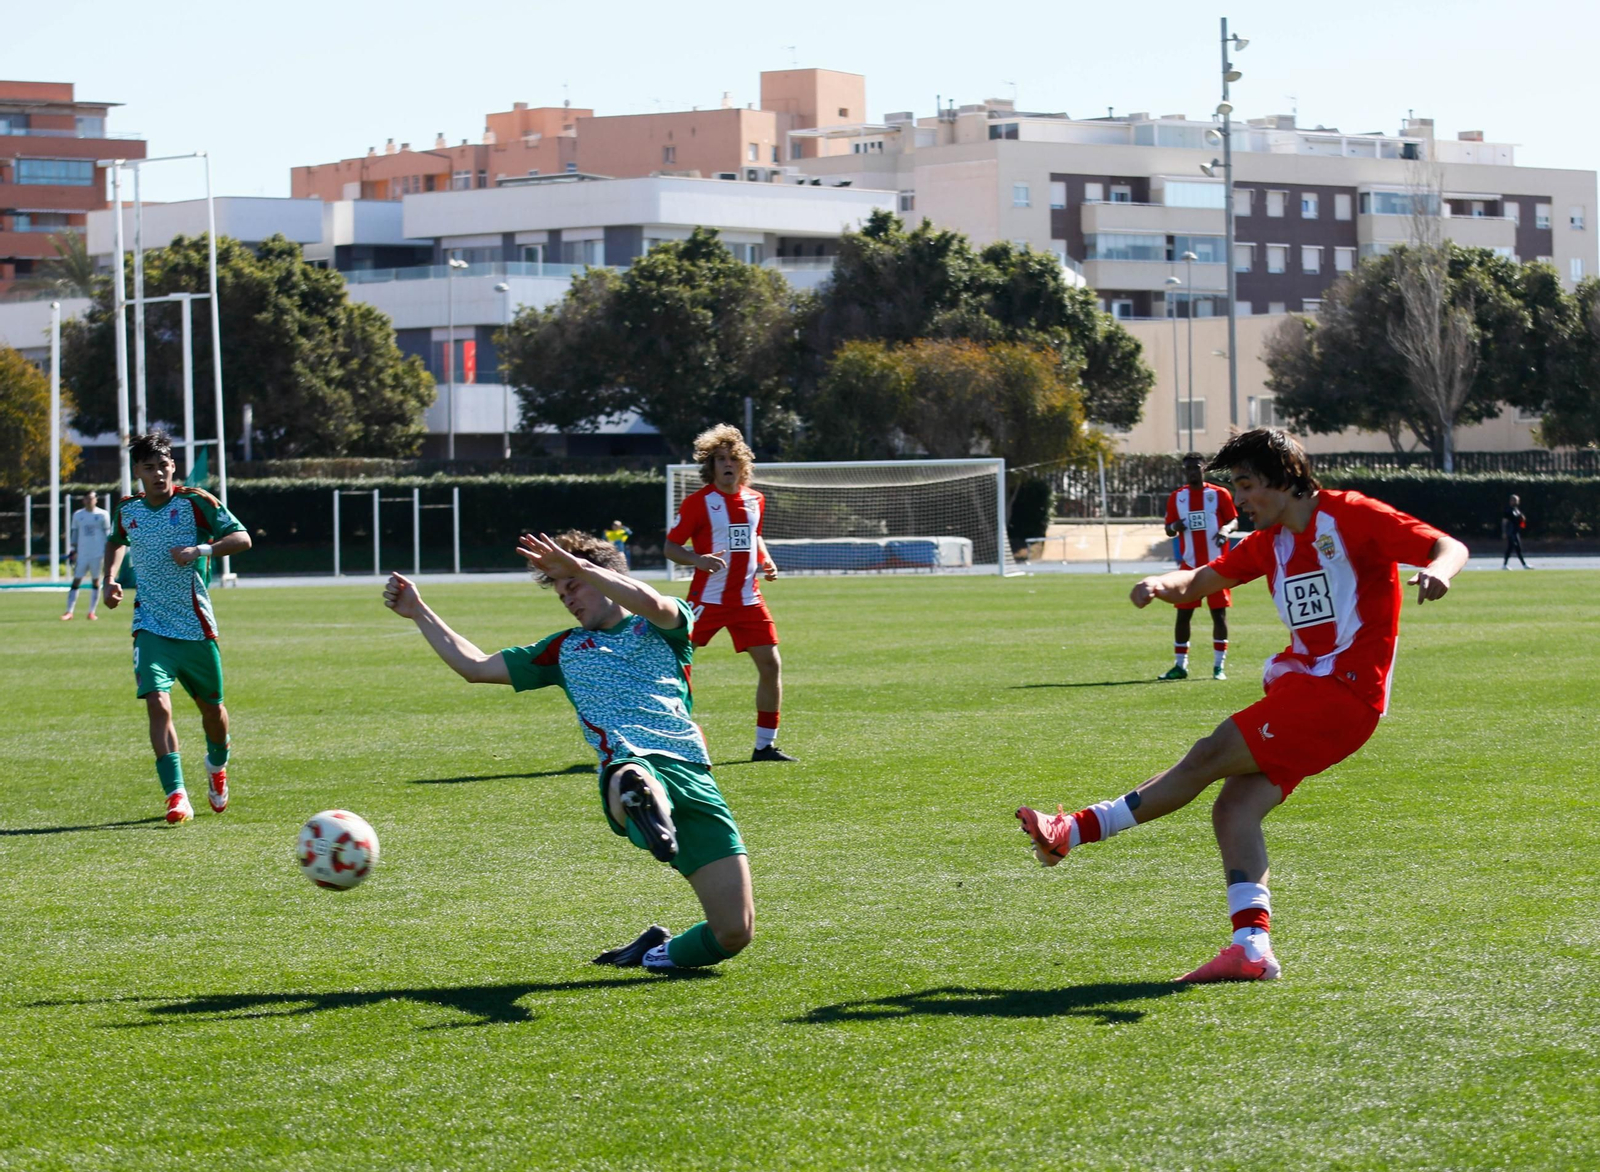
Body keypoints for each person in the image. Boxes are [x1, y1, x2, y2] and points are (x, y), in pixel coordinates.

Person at [1017, 428, 1468, 983]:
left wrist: (1437, 572)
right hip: (1310, 693)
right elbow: (1201, 581)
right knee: (1234, 809)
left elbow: (1449, 546)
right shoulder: (1269, 541)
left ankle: (1074, 831)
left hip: (1343, 690)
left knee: (1207, 755)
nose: (1240, 498)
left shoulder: (1350, 515)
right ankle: (1251, 947)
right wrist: (1163, 583)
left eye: (1247, 484)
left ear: (1285, 479)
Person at [382, 529, 754, 973]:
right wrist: (419, 611)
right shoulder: (564, 649)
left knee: (734, 932)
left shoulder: (665, 625)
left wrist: (579, 567)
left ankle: (654, 951)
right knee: (632, 776)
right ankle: (642, 800)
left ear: (603, 576)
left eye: (572, 587)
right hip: (629, 759)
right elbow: (475, 667)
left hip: (693, 771)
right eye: (561, 594)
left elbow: (652, 602)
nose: (568, 599)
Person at [102, 432, 252, 824]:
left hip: (196, 627)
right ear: (137, 471)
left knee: (213, 711)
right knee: (157, 702)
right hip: (150, 625)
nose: (158, 474)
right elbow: (116, 539)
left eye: (163, 466)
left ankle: (217, 767)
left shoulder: (195, 503)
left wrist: (200, 550)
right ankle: (176, 795)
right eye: (149, 468)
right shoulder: (127, 510)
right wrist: (109, 578)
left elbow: (242, 538)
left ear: (173, 468)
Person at [664, 424, 796, 762]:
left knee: (771, 665)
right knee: (673, 665)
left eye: (732, 459)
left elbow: (754, 537)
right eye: (719, 459)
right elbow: (671, 547)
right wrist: (697, 559)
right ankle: (670, 738)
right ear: (710, 467)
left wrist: (766, 561)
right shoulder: (698, 503)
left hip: (748, 600)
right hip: (706, 601)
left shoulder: (756, 500)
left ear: (743, 465)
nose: (727, 464)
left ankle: (765, 746)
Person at [1160, 453, 1238, 680]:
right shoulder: (1178, 497)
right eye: (1188, 469)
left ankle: (1218, 667)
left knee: (1219, 616)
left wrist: (1225, 530)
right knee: (1183, 617)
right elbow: (1168, 529)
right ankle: (1180, 666)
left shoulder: (1218, 493)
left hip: (1216, 566)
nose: (1192, 471)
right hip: (1189, 567)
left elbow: (1233, 519)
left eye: (1196, 467)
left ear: (1204, 468)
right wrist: (1175, 525)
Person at [61, 490, 112, 622]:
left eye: (92, 498)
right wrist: (73, 550)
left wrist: (108, 551)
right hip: (83, 553)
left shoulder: (103, 514)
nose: (90, 501)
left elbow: (107, 534)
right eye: (87, 498)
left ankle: (91, 612)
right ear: (84, 500)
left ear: (96, 500)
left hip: (98, 553)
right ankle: (69, 611)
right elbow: (75, 533)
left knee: (96, 581)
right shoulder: (78, 515)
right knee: (76, 581)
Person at [1502, 494, 1530, 569]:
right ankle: (1523, 564)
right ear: (1511, 501)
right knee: (1516, 548)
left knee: (1512, 548)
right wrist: (1504, 532)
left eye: (1517, 500)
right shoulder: (1508, 510)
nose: (1516, 502)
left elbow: (1521, 521)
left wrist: (1522, 521)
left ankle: (1505, 565)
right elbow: (1504, 521)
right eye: (1514, 500)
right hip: (1510, 532)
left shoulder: (1516, 510)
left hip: (1515, 531)